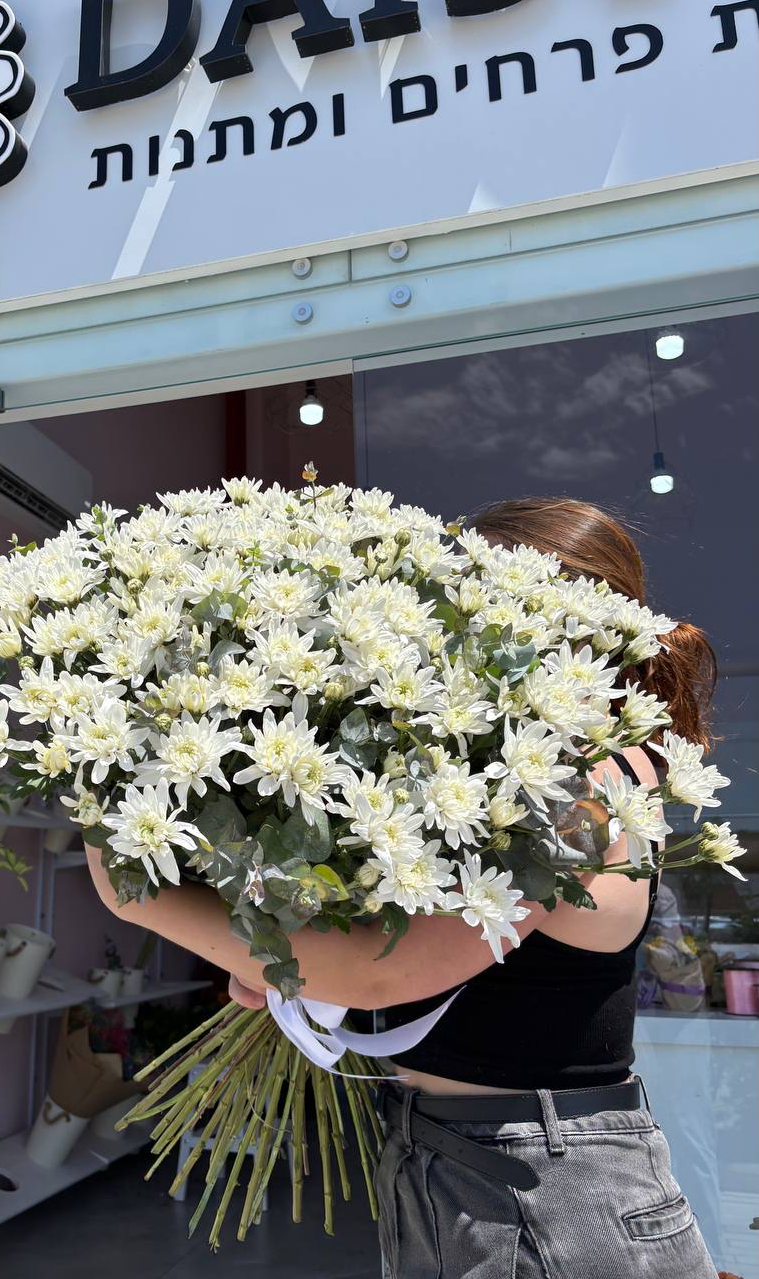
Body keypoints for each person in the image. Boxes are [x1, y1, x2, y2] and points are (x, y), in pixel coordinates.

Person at [84, 497, 719, 1278]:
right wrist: (290, 966)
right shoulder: (499, 757)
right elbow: (378, 948)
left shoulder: (590, 783)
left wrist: (132, 892)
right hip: (458, 1162)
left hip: (552, 1187)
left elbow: (385, 969)